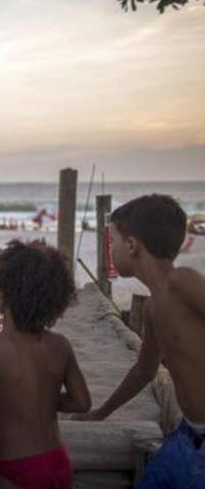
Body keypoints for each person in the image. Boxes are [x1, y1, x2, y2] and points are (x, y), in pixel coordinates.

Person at [73, 194, 205, 488]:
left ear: (132, 245)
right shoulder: (153, 307)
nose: (111, 249)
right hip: (187, 434)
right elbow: (144, 370)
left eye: (113, 243)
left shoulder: (182, 281)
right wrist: (100, 413)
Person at [0, 240, 91, 489]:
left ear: (2, 297)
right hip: (58, 460)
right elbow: (82, 403)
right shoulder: (60, 345)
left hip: (18, 467)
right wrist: (43, 398)